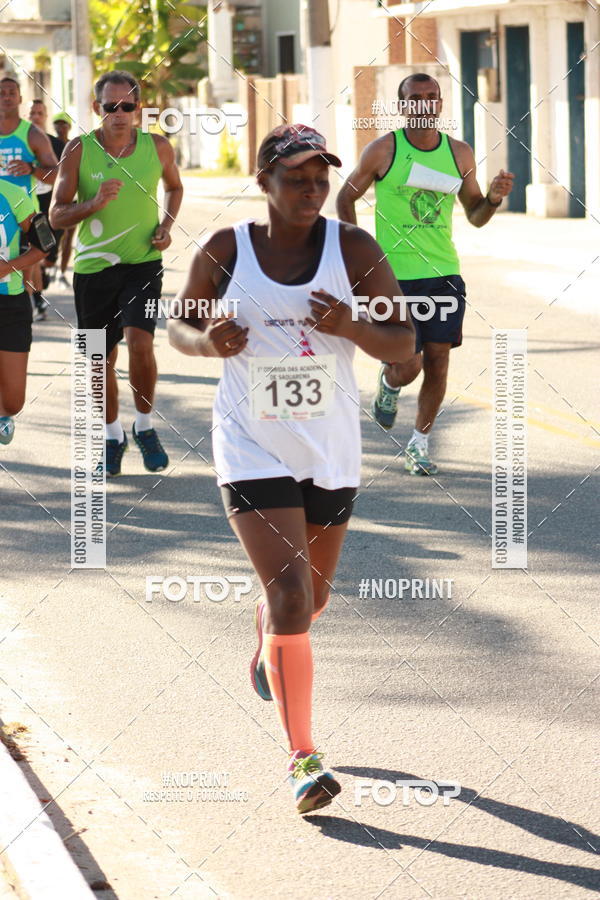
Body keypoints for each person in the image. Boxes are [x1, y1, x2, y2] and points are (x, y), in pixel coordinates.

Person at [167, 124, 415, 813]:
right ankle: (303, 759)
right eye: (295, 177)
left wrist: (356, 330)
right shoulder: (226, 249)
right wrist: (205, 340)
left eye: (320, 177)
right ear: (264, 183)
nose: (311, 189)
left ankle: (267, 643)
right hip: (250, 442)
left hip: (327, 447)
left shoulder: (354, 248)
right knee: (292, 597)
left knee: (313, 597)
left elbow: (405, 344)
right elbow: (180, 324)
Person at [337, 73, 514, 475]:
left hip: (443, 275)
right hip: (392, 278)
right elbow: (345, 196)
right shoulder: (384, 150)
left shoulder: (460, 154)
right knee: (408, 365)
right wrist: (358, 254)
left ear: (439, 104)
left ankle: (419, 444)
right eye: (415, 97)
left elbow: (475, 215)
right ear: (402, 106)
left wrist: (493, 198)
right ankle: (389, 383)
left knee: (438, 362)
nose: (424, 103)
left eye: (432, 97)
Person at [50, 70, 183, 476]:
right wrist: (94, 203)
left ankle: (144, 427)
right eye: (112, 107)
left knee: (141, 343)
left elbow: (175, 188)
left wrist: (166, 226)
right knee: (98, 360)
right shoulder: (78, 150)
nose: (121, 114)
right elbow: (56, 215)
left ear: (138, 108)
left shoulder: (157, 147)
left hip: (142, 264)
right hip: (92, 271)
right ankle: (112, 435)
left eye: (128, 106)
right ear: (97, 109)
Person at [0, 77, 59, 323]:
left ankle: (31, 306)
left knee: (34, 257)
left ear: (20, 98)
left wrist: (31, 168)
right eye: (1, 92)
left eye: (12, 92)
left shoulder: (32, 134)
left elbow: (56, 174)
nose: (6, 96)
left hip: (25, 209)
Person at [0, 179, 51, 445]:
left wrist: (9, 267)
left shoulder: (13, 194)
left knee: (13, 402)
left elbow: (45, 244)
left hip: (10, 305)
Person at [28, 99, 66, 318]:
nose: (35, 116)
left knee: (45, 258)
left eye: (40, 112)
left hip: (51, 209)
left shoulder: (58, 145)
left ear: (45, 116)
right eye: (32, 112)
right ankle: (37, 302)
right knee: (31, 256)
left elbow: (65, 177)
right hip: (27, 209)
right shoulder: (21, 141)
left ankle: (41, 283)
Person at [52, 112, 74, 289]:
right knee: (56, 236)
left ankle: (61, 272)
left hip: (74, 198)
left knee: (68, 237)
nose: (60, 127)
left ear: (69, 126)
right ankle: (52, 265)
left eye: (63, 124)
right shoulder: (50, 146)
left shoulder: (75, 146)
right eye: (57, 124)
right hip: (55, 198)